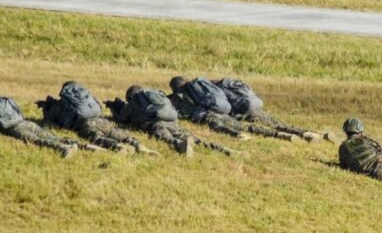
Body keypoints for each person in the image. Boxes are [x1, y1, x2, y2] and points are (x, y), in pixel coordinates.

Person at [107, 86, 238, 157]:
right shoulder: (157, 94)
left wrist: (113, 109)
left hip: (156, 123)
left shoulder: (135, 100)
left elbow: (123, 119)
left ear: (130, 97)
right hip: (172, 122)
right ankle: (223, 149)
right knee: (194, 138)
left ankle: (180, 145)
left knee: (167, 138)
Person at [37, 81, 158, 155]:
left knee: (96, 137)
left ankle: (116, 146)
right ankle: (138, 145)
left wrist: (45, 107)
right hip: (101, 119)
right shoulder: (87, 96)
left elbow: (49, 119)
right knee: (116, 132)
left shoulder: (63, 103)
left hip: (85, 123)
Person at [168, 76, 297, 142]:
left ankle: (240, 135)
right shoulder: (200, 87)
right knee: (264, 120)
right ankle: (294, 132)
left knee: (227, 127)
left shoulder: (177, 97)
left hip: (208, 115)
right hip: (225, 109)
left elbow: (178, 114)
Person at [213, 77, 337, 143]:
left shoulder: (211, 90)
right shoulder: (227, 83)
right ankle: (314, 134)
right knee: (276, 124)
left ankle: (285, 136)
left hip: (239, 112)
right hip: (254, 107)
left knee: (251, 128)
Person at [0, 95, 79, 158]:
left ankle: (63, 148)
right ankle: (83, 146)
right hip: (26, 122)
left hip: (14, 127)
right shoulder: (5, 99)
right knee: (51, 136)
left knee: (37, 140)